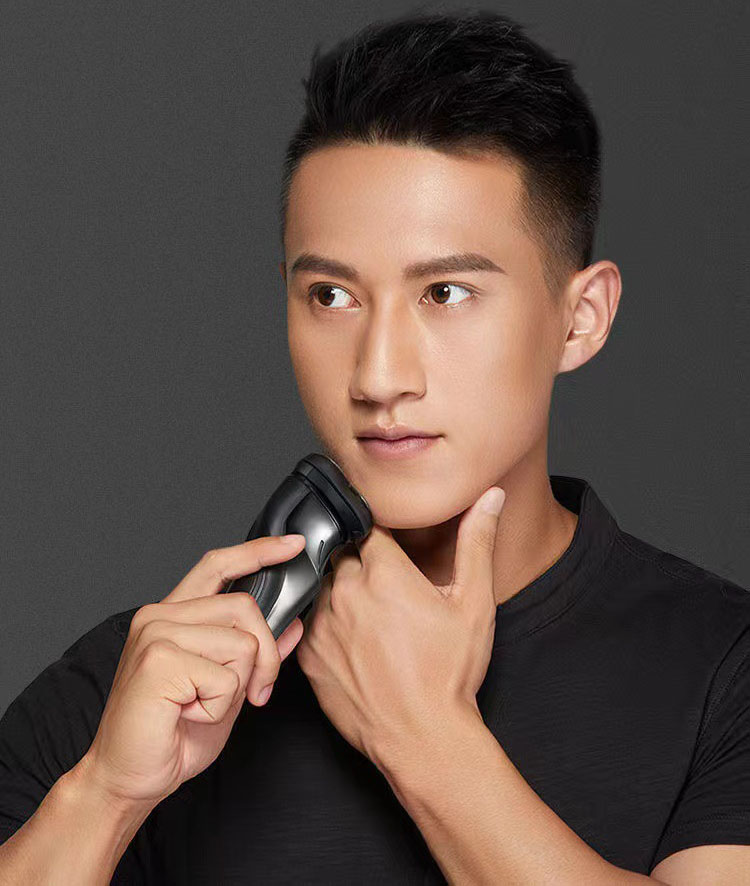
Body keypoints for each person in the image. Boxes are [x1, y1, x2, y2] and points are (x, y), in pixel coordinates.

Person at [1, 9, 748, 884]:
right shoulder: (139, 687)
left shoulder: (723, 668)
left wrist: (426, 739)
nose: (379, 375)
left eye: (446, 293)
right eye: (331, 296)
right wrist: (105, 796)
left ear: (580, 320)